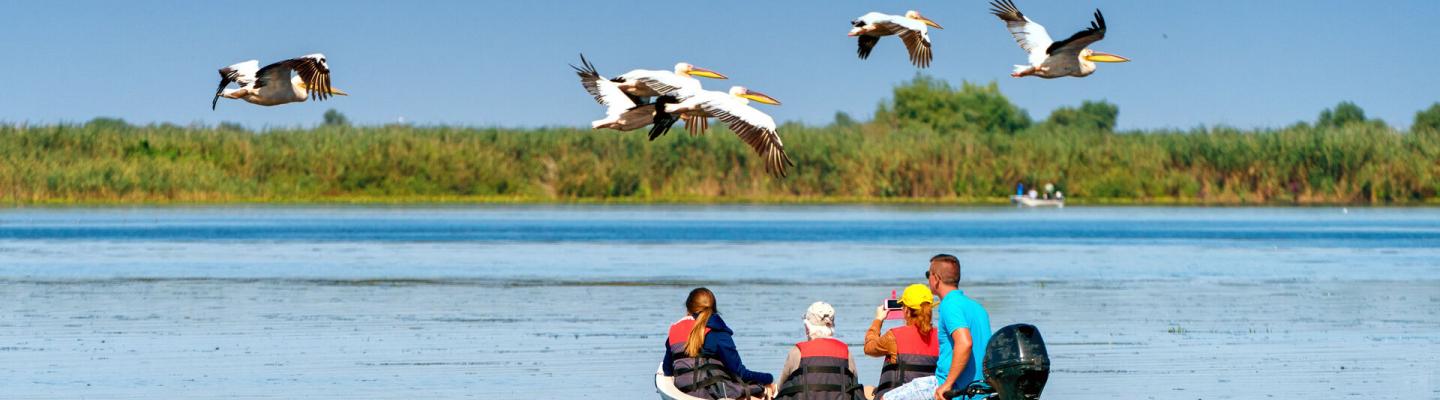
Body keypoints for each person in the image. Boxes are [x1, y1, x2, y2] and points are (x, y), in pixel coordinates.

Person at [873, 255, 992, 400]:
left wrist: (947, 384)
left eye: (928, 274)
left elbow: (965, 342)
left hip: (952, 386)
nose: (928, 278)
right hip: (979, 388)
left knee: (885, 399)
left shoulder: (950, 304)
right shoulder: (978, 309)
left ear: (935, 278)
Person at [663, 288, 775, 399]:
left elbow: (667, 370)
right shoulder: (719, 333)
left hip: (683, 391)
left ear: (688, 309)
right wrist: (768, 378)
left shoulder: (675, 330)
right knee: (764, 387)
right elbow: (740, 373)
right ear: (714, 308)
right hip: (714, 393)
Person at [774, 302, 866, 400]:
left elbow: (780, 387)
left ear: (807, 328)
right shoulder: (845, 351)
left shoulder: (798, 351)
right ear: (832, 327)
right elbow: (854, 382)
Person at [863, 284, 939, 399]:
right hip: (928, 397)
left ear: (907, 311)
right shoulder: (941, 337)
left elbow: (869, 348)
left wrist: (878, 319)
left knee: (866, 390)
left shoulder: (894, 336)